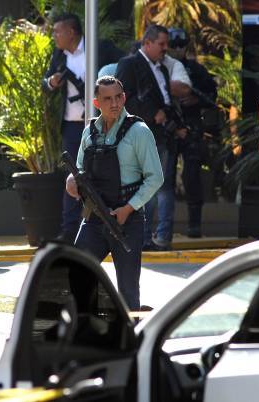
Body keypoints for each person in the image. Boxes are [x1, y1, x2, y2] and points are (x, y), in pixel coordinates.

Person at [66, 76, 163, 310]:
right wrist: (71, 180)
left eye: (118, 97)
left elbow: (155, 177)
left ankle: (130, 339)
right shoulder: (89, 132)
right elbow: (79, 168)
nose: (114, 103)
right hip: (94, 217)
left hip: (127, 221)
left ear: (124, 97)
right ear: (97, 103)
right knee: (77, 274)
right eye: (107, 99)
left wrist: (128, 209)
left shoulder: (139, 131)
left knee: (128, 293)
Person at [43, 13, 124, 243]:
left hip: (100, 124)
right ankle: (70, 231)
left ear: (71, 32)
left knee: (104, 172)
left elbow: (125, 66)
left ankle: (109, 223)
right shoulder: (59, 55)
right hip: (72, 126)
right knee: (73, 176)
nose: (54, 36)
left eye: (57, 31)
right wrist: (52, 82)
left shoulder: (101, 48)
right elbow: (45, 83)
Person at [115, 25, 191, 250]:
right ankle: (144, 237)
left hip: (162, 135)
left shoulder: (163, 69)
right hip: (141, 134)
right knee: (145, 186)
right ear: (147, 43)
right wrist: (150, 114)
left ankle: (161, 236)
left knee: (163, 185)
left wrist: (172, 121)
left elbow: (166, 100)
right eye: (161, 44)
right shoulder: (130, 64)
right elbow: (120, 99)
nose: (165, 49)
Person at [150, 26, 218, 243]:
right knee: (164, 179)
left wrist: (196, 100)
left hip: (191, 128)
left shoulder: (197, 71)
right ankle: (160, 230)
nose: (178, 49)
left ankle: (194, 225)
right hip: (169, 128)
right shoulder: (160, 68)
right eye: (174, 45)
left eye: (182, 45)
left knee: (192, 177)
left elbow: (212, 98)